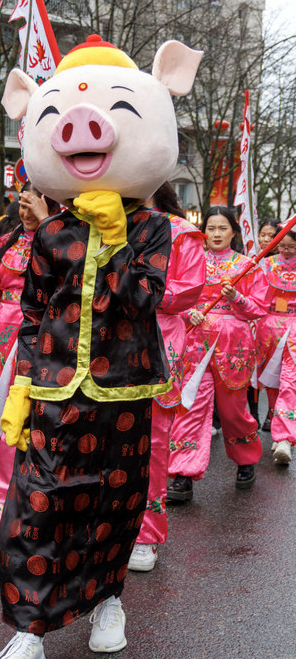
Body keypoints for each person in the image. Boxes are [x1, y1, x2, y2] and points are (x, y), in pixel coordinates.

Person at [0, 184, 57, 557]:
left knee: (41, 434)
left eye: (34, 203)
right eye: (22, 203)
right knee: (9, 432)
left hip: (43, 341)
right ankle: (4, 521)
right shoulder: (4, 243)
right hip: (2, 338)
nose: (26, 210)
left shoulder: (63, 239)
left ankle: (40, 519)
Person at [167, 206, 270, 501]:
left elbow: (258, 308)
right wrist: (189, 314)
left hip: (232, 348)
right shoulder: (190, 263)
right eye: (211, 228)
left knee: (233, 410)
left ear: (233, 232)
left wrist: (235, 297)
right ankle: (183, 475)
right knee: (189, 406)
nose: (215, 234)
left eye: (222, 228)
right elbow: (177, 298)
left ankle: (246, 460)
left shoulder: (246, 266)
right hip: (195, 344)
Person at [128, 183, 205, 572]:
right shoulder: (107, 223)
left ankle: (147, 534)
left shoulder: (181, 233)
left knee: (154, 442)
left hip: (158, 339)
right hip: (110, 340)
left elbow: (189, 289)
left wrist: (133, 291)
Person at [257, 227, 296, 465]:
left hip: (294, 328)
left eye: (291, 246)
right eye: (282, 245)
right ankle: (279, 428)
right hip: (269, 327)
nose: (286, 250)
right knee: (271, 381)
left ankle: (284, 438)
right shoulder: (266, 264)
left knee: (289, 381)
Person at [254, 218, 281, 432]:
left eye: (270, 235)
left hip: (280, 323)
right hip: (256, 323)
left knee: (279, 371)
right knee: (258, 371)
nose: (265, 239)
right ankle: (255, 414)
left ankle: (275, 414)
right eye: (262, 234)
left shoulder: (283, 262)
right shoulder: (252, 259)